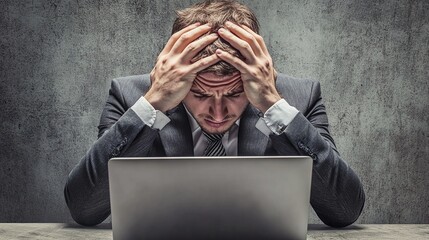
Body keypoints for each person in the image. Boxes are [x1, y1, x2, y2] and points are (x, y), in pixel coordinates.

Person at [64, 0, 365, 228]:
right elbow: (85, 208)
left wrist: (273, 104)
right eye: (200, 94)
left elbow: (344, 211)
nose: (218, 113)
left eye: (234, 94)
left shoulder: (299, 98)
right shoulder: (131, 96)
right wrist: (153, 103)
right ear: (178, 81)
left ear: (252, 79)